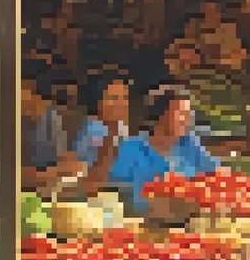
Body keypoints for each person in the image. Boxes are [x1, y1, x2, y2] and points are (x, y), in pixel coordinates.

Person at [86, 86, 221, 214]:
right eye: (181, 114)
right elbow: (107, 192)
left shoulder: (189, 143)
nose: (187, 120)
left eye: (188, 114)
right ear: (159, 116)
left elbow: (216, 174)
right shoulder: (131, 149)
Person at [0, 58, 82, 192]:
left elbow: (59, 156)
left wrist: (66, 163)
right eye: (34, 97)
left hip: (40, 191)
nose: (40, 110)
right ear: (20, 86)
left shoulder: (47, 109)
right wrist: (47, 175)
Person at [72, 68, 133, 165]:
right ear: (99, 102)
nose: (121, 103)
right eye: (114, 98)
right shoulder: (88, 135)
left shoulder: (126, 131)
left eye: (124, 97)